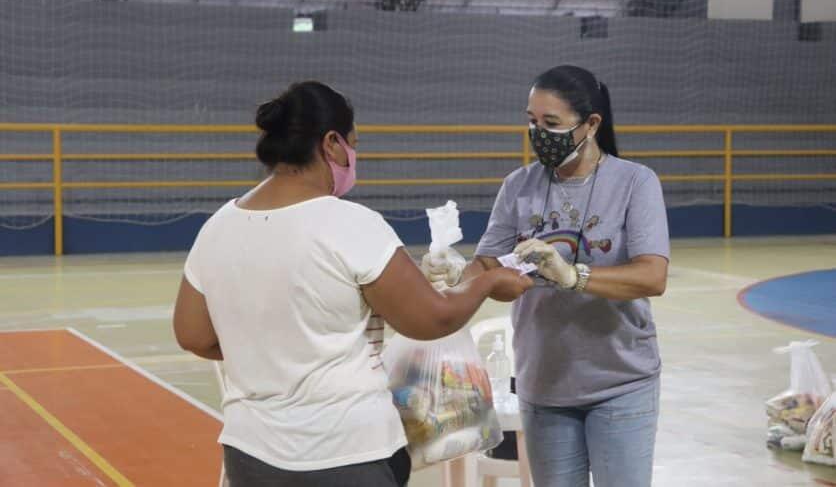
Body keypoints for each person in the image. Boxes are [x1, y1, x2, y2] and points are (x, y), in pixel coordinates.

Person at [172, 80, 532, 487]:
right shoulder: (349, 224)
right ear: (331, 144)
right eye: (353, 143)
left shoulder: (218, 227)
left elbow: (193, 334)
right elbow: (433, 318)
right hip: (346, 453)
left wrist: (268, 347)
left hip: (250, 454)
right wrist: (487, 283)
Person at [422, 65, 670, 487]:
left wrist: (574, 275)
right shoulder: (518, 186)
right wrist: (455, 271)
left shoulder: (634, 182)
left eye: (551, 123)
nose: (539, 133)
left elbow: (652, 277)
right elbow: (489, 268)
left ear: (591, 124)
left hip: (620, 384)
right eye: (532, 121)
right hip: (543, 386)